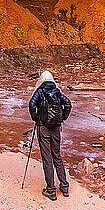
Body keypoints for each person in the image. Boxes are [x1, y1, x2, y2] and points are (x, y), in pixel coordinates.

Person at [29, 70, 72, 201]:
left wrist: (36, 118)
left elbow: (32, 104)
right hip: (56, 128)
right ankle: (64, 187)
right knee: (57, 156)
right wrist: (62, 118)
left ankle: (51, 190)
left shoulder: (40, 91)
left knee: (47, 159)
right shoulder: (57, 91)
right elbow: (68, 104)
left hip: (43, 128)